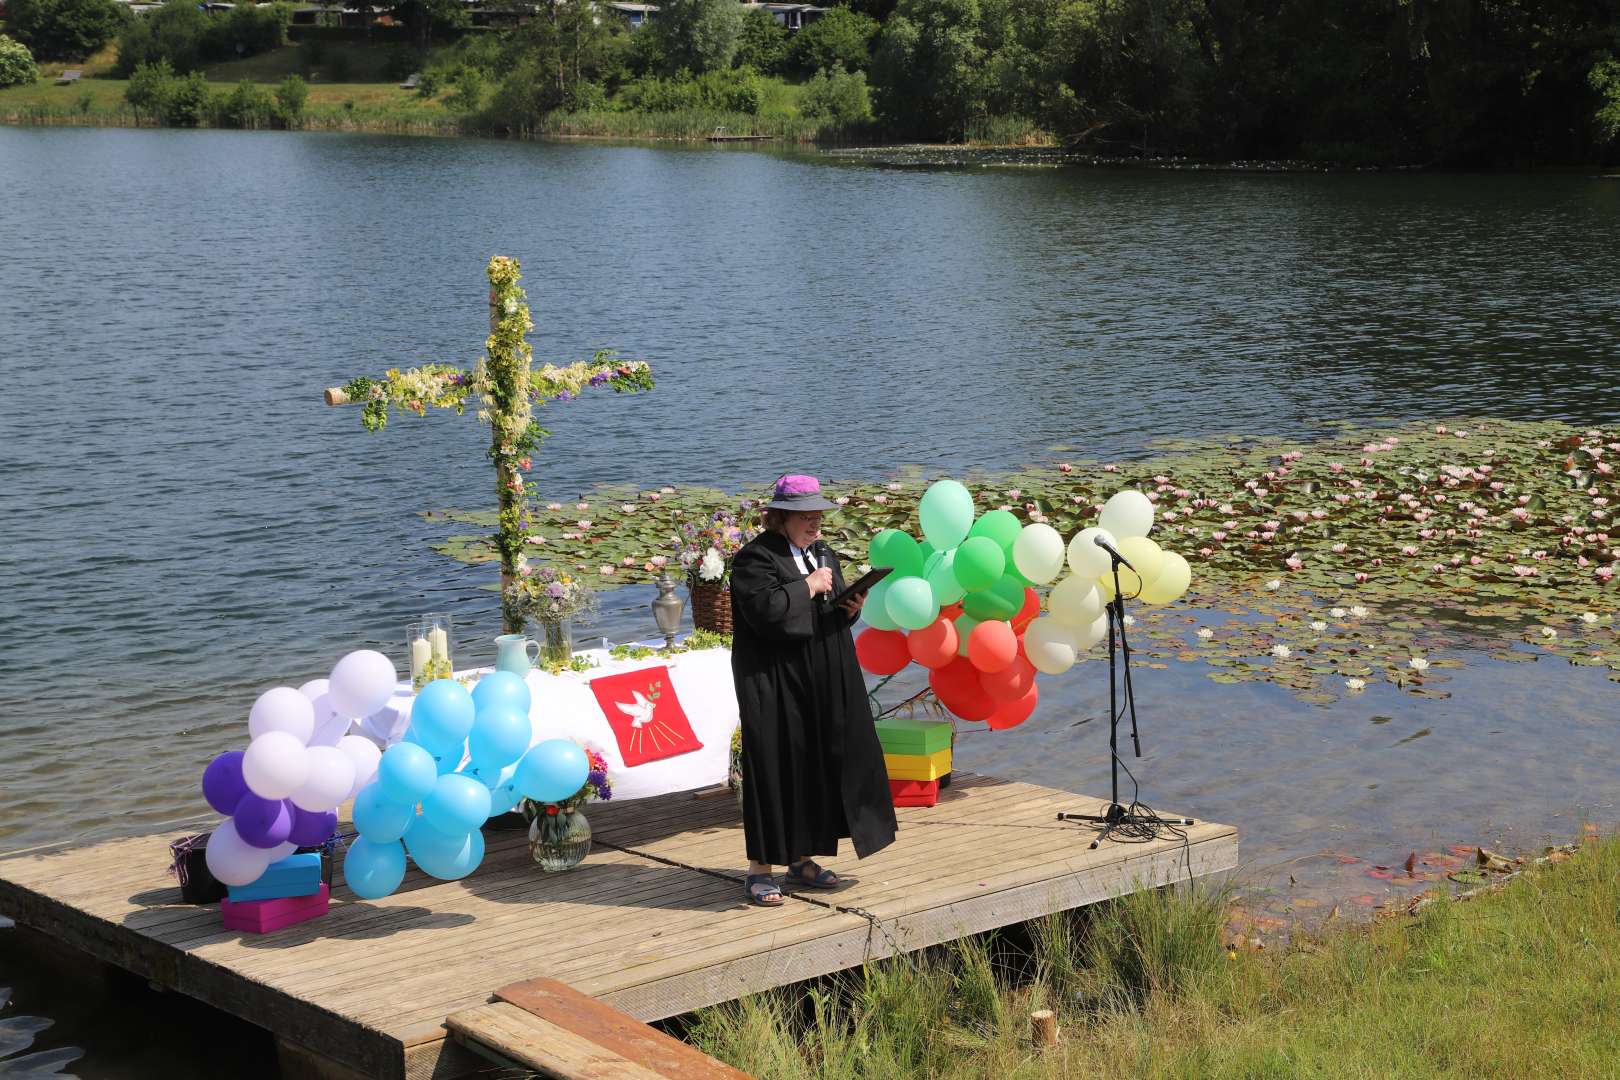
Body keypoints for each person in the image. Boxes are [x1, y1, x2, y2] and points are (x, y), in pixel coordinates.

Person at [729, 474, 897, 907]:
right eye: (806, 517)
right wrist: (807, 586)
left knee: (815, 762)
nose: (815, 524)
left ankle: (801, 861)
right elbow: (765, 613)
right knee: (775, 764)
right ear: (781, 517)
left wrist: (849, 609)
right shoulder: (753, 560)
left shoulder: (822, 553)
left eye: (819, 516)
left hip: (820, 672)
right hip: (774, 679)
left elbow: (826, 613)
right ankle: (760, 871)